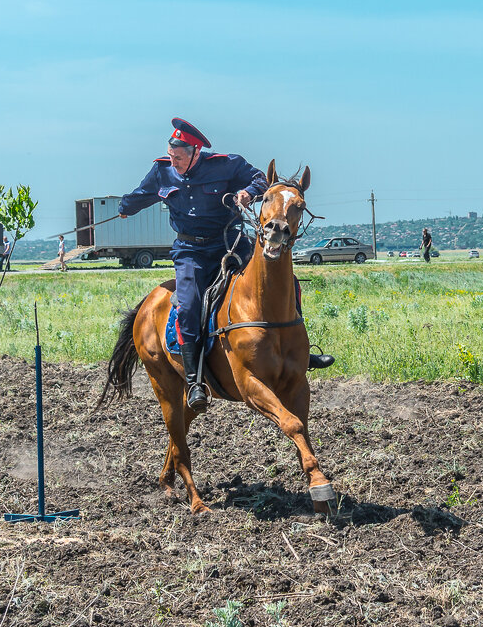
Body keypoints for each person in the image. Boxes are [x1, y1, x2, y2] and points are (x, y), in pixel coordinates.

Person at [117, 118, 333, 412]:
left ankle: (301, 354)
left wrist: (247, 192)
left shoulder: (226, 165)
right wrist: (123, 209)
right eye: (171, 156)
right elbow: (141, 195)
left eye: (179, 157)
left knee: (284, 282)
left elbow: (260, 179)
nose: (174, 161)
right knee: (189, 306)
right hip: (190, 250)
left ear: (195, 151)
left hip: (229, 242)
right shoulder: (162, 171)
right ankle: (194, 381)